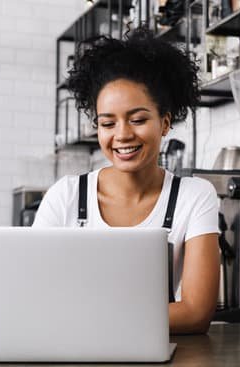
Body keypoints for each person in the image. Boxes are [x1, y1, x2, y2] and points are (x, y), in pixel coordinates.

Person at [33, 28, 220, 334]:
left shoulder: (194, 196)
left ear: (165, 123)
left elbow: (196, 313)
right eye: (108, 123)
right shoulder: (65, 196)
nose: (122, 135)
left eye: (137, 119)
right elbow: (36, 296)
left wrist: (89, 320)